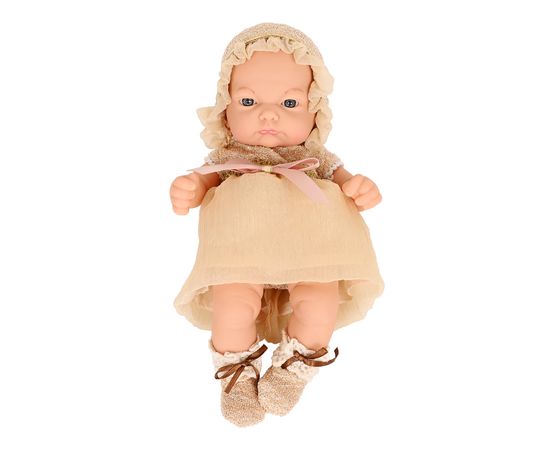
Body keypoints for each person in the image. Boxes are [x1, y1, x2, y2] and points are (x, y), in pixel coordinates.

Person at [170, 23, 384, 427]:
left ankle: (295, 365)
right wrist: (192, 187)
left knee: (319, 304)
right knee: (232, 307)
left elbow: (346, 180)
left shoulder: (316, 160)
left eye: (289, 103)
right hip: (239, 254)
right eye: (249, 101)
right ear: (226, 111)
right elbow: (203, 179)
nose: (268, 114)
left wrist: (357, 187)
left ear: (315, 110)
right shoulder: (228, 159)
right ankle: (237, 373)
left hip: (315, 252)